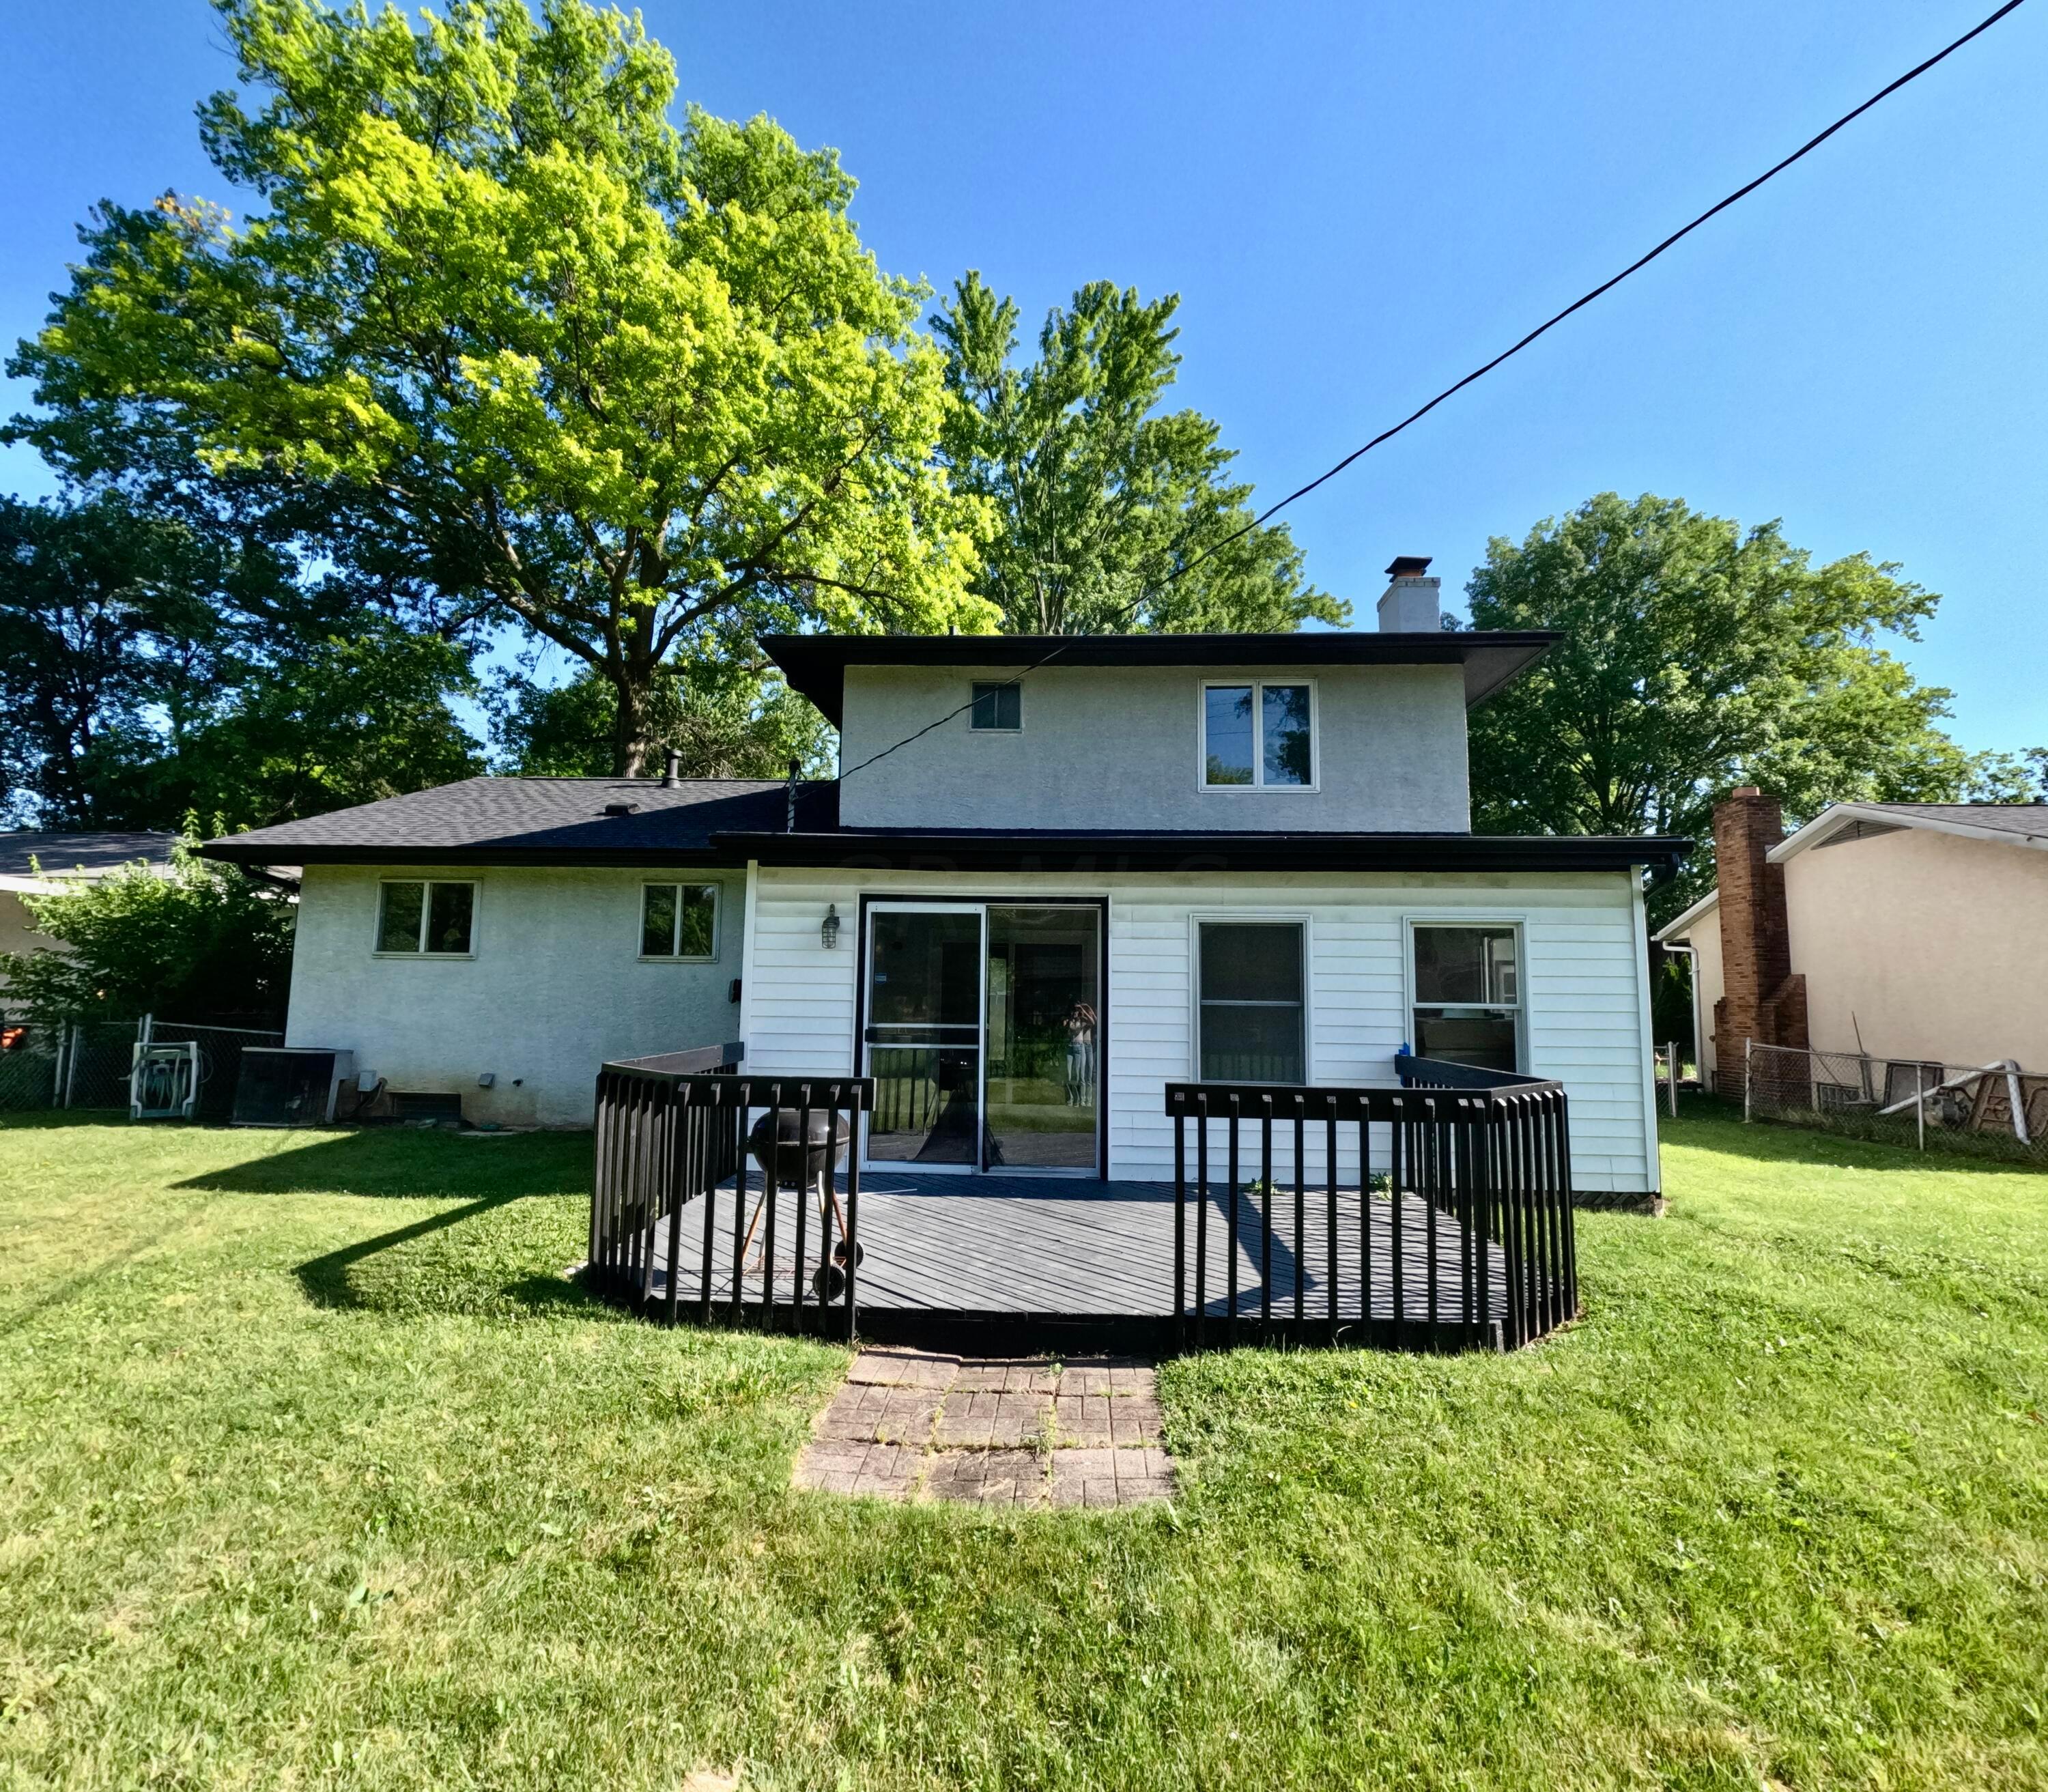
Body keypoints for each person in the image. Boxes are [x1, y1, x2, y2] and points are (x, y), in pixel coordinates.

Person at [1064, 999, 1097, 1107]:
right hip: (1080, 1045)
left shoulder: (1085, 1019)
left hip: (1086, 1045)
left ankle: (1088, 1100)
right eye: (1077, 1010)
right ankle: (1081, 1100)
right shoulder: (1076, 1021)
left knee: (1088, 1074)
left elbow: (1094, 1021)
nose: (1078, 1011)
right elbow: (1070, 1027)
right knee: (1081, 1075)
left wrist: (1085, 1008)